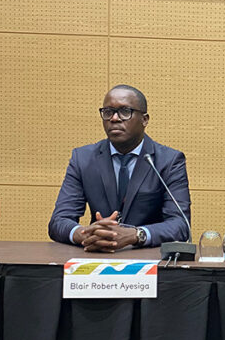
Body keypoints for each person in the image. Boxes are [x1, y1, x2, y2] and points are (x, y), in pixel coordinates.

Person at [49, 85, 191, 251]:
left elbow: (180, 224)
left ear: (144, 119)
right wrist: (83, 233)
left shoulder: (168, 161)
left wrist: (136, 235)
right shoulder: (83, 158)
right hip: (96, 255)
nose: (115, 118)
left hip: (148, 260)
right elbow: (59, 220)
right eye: (108, 112)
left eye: (125, 111)